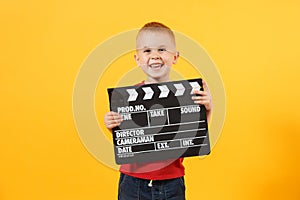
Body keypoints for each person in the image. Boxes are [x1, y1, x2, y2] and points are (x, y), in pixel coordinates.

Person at [104, 22, 213, 200]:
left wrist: (207, 109)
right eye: (147, 51)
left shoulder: (187, 95)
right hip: (133, 181)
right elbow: (125, 138)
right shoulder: (126, 98)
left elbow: (194, 135)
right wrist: (112, 125)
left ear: (175, 57)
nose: (155, 56)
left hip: (172, 180)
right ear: (137, 59)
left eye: (162, 50)